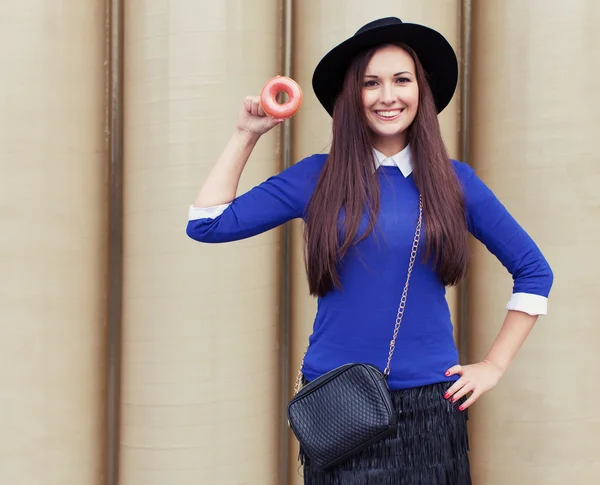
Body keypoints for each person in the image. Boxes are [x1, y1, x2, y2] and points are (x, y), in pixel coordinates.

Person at [186, 16, 553, 485]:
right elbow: (206, 225)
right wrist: (247, 134)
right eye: (370, 83)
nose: (388, 96)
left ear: (422, 91)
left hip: (430, 409)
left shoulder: (456, 181)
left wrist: (494, 366)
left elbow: (534, 272)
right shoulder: (315, 177)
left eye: (402, 80)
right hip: (338, 404)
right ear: (350, 97)